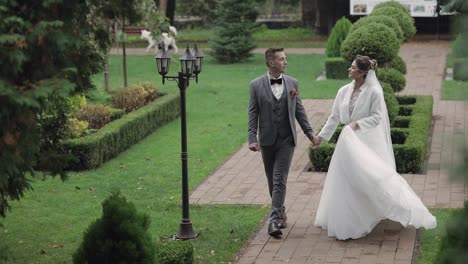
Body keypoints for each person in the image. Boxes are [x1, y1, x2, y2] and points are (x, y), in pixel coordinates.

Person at [312, 55, 437, 240]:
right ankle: (348, 218)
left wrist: (357, 124)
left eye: (353, 67)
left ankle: (399, 208)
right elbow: (335, 116)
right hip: (347, 143)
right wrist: (320, 137)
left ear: (362, 73)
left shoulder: (374, 92)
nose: (349, 69)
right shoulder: (343, 91)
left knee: (373, 179)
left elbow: (377, 117)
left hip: (366, 141)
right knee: (346, 179)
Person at [248, 48, 318, 238]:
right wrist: (252, 138)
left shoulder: (293, 83)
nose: (285, 62)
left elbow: (299, 111)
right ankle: (281, 211)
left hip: (287, 140)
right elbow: (253, 113)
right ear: (271, 63)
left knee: (279, 178)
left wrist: (310, 133)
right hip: (267, 141)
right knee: (272, 180)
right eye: (281, 59)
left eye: (285, 59)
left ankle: (274, 220)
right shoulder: (256, 85)